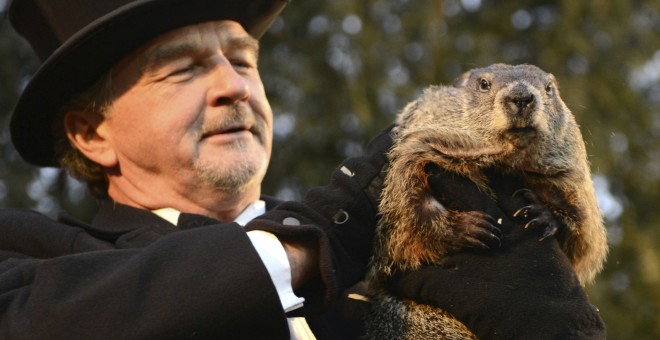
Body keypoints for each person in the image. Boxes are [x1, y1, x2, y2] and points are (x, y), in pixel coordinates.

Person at [0, 0, 605, 339]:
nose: (234, 88)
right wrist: (317, 235)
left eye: (243, 60)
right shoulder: (32, 264)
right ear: (92, 132)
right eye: (182, 69)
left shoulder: (369, 285)